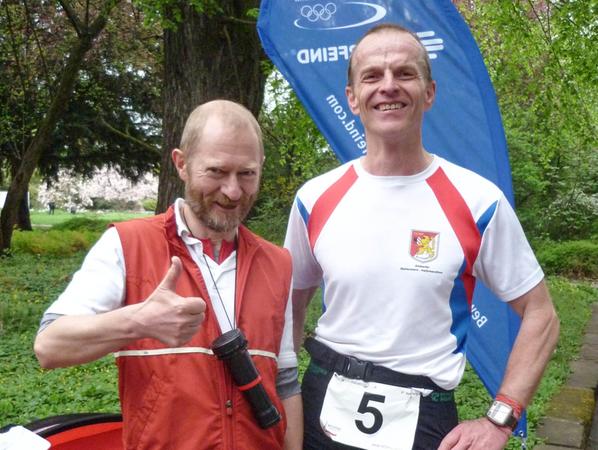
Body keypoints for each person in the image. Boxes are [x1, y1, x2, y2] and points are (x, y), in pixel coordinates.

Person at [284, 24, 559, 450]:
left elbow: (541, 315)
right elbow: (290, 303)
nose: (388, 86)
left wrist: (499, 419)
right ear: (352, 98)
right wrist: (282, 391)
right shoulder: (315, 197)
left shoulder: (478, 200)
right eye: (372, 76)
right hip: (322, 402)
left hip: (424, 419)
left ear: (429, 92)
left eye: (404, 73)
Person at [34, 100, 303, 450]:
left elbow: (285, 380)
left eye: (247, 173)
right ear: (182, 164)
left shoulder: (278, 262)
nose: (233, 191)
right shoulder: (127, 244)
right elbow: (49, 345)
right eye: (217, 172)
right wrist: (138, 322)